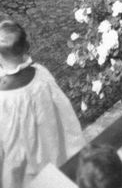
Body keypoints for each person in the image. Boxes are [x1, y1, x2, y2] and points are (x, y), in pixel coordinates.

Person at [0, 20, 85, 188]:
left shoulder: (3, 98)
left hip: (22, 168)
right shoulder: (42, 75)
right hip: (50, 151)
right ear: (26, 46)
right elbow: (65, 114)